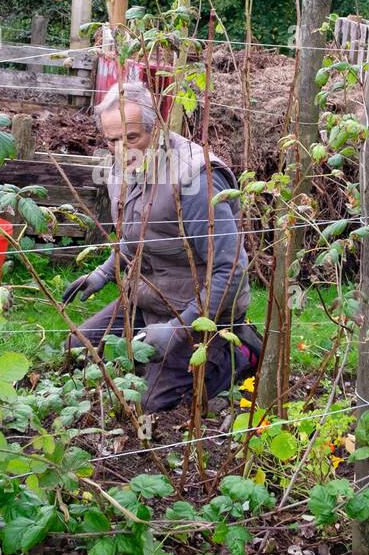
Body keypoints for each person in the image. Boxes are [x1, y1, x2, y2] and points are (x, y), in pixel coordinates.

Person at [63, 80, 262, 413]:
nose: (121, 149)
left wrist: (179, 328)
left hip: (201, 310)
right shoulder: (122, 168)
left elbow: (231, 270)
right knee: (78, 349)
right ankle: (157, 356)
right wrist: (103, 273)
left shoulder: (195, 180)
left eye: (131, 138)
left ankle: (239, 353)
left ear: (155, 129)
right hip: (150, 297)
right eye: (112, 140)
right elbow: (138, 236)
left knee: (153, 402)